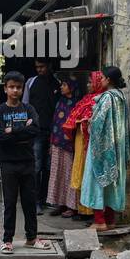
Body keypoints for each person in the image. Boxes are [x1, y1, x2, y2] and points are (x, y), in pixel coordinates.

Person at [0, 71, 40, 252]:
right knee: (10, 202)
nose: (15, 90)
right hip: (7, 162)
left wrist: (11, 131)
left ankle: (32, 238)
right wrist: (22, 130)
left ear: (22, 89)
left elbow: (35, 130)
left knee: (29, 201)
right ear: (5, 88)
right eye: (11, 87)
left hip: (27, 160)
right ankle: (7, 240)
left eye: (18, 87)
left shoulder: (29, 109)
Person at [81, 66, 130, 233]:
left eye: (102, 77)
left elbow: (98, 122)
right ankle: (110, 220)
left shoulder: (107, 98)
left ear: (108, 80)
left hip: (102, 148)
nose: (100, 80)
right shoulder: (120, 97)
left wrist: (88, 122)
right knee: (113, 183)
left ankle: (99, 221)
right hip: (117, 148)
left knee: (96, 181)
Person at [62, 72, 105, 226]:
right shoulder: (86, 99)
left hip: (91, 143)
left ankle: (90, 212)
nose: (87, 85)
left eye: (90, 82)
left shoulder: (101, 100)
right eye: (87, 82)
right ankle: (82, 210)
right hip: (80, 140)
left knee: (89, 174)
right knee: (80, 172)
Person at [23, 59, 59, 207]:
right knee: (36, 166)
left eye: (42, 67)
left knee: (50, 167)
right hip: (36, 131)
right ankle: (36, 200)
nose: (39, 70)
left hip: (54, 131)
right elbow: (24, 106)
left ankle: (47, 199)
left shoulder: (57, 83)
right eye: (37, 67)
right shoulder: (31, 82)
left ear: (49, 66)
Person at [46, 77, 82, 216]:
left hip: (69, 145)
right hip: (56, 142)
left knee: (68, 175)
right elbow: (55, 122)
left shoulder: (77, 104)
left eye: (64, 84)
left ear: (71, 87)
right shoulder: (60, 101)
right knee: (57, 174)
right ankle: (60, 203)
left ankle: (71, 206)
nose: (61, 87)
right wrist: (51, 142)